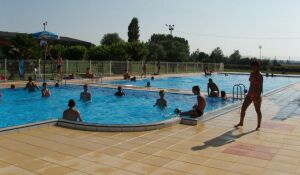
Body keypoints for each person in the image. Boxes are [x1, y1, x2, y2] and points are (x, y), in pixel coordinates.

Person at [235, 60, 263, 131]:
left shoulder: (260, 76)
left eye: (254, 67)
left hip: (256, 95)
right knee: (243, 108)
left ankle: (258, 125)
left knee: (258, 111)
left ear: (258, 67)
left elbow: (260, 87)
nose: (253, 68)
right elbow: (250, 82)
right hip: (250, 94)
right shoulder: (251, 74)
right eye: (252, 67)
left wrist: (257, 96)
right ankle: (241, 123)